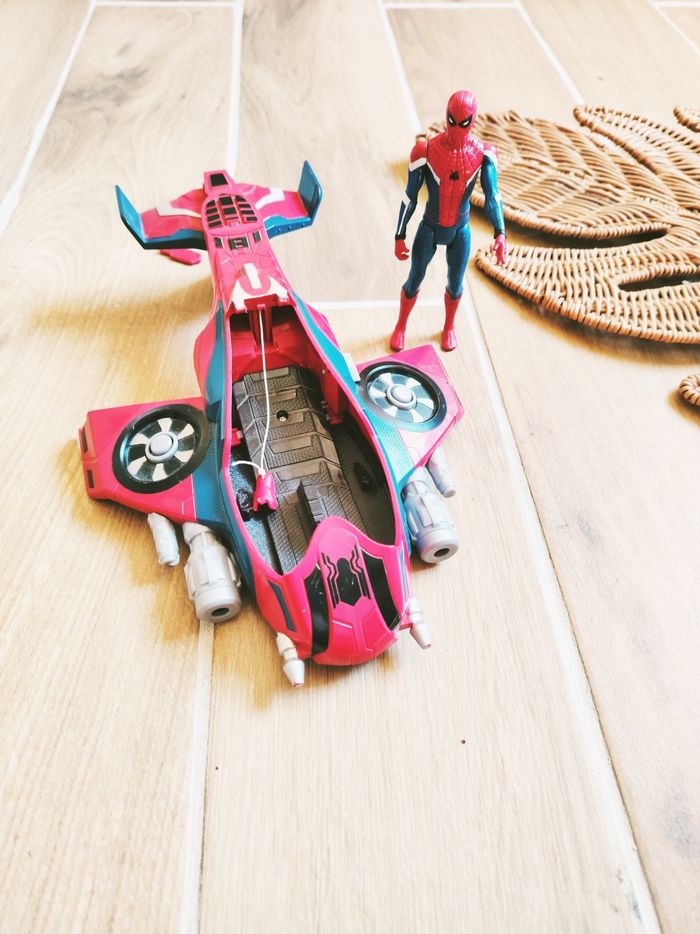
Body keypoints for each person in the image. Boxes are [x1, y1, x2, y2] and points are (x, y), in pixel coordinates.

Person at [392, 89, 507, 352]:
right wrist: (400, 234)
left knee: (456, 283)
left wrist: (500, 232)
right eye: (452, 121)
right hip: (430, 225)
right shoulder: (425, 151)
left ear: (472, 121)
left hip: (460, 228)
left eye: (463, 123)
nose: (456, 129)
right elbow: (410, 197)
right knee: (414, 277)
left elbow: (493, 196)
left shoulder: (483, 155)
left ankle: (449, 327)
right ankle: (401, 326)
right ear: (446, 116)